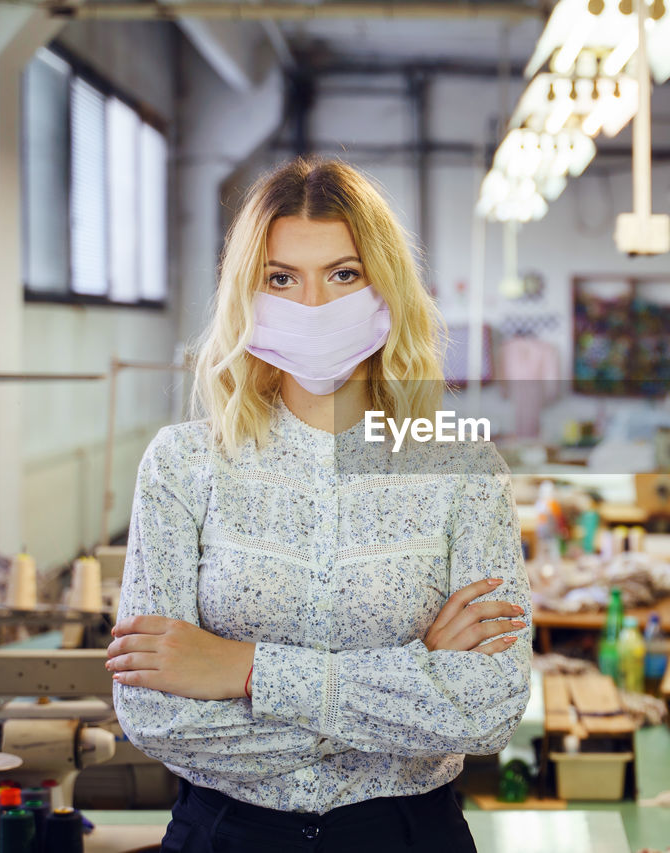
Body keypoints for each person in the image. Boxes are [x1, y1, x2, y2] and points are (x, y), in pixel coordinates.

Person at [107, 157, 531, 852]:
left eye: (343, 274)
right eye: (281, 278)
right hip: (225, 834)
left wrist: (241, 668)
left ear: (386, 285)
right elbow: (155, 714)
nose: (313, 305)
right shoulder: (183, 464)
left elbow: (488, 707)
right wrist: (412, 679)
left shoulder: (463, 468)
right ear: (248, 290)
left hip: (405, 835)